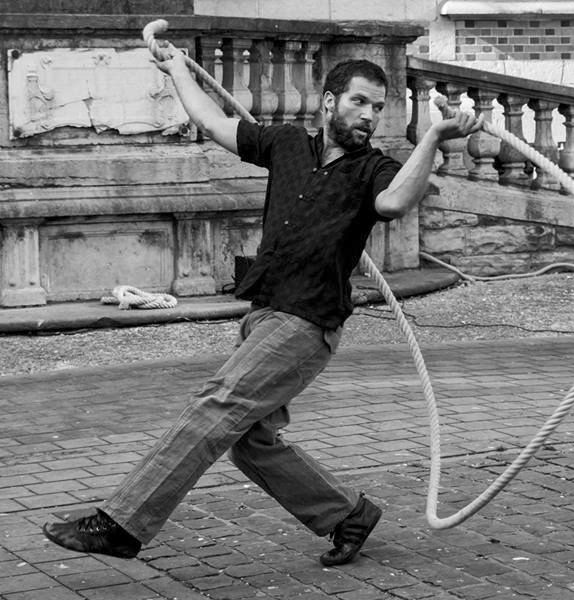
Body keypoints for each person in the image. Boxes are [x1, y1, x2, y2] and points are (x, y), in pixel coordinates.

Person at [42, 52, 481, 566]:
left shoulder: (374, 170)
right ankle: (348, 515)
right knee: (250, 442)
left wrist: (432, 138)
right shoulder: (287, 143)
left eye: (378, 107)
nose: (369, 115)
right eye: (359, 101)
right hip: (264, 314)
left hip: (307, 322)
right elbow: (211, 123)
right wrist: (176, 68)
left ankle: (122, 524)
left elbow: (394, 203)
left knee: (216, 405)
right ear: (329, 102)